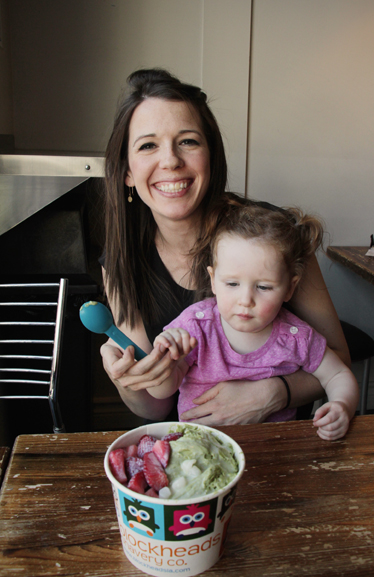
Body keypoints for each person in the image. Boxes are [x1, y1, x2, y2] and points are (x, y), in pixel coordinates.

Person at [100, 68, 351, 428]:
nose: (170, 161)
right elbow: (154, 408)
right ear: (127, 171)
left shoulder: (275, 238)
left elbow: (338, 359)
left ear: (211, 155)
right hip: (191, 445)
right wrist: (126, 380)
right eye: (148, 145)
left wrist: (274, 393)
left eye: (188, 141)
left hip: (278, 443)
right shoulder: (122, 260)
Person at [147, 201, 359, 440]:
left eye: (264, 287)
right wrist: (167, 360)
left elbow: (338, 375)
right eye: (232, 284)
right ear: (213, 280)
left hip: (273, 451)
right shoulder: (195, 327)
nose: (246, 300)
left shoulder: (297, 338)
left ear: (290, 288)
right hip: (198, 450)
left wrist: (342, 405)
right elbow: (161, 392)